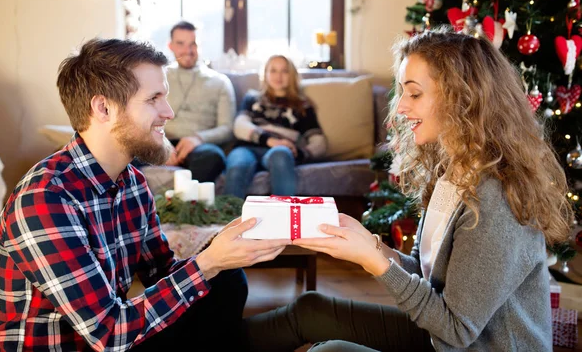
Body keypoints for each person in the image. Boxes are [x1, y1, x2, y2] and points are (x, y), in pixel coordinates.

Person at [242, 28, 574, 351]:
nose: (400, 107)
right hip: (439, 337)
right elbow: (426, 275)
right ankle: (210, 339)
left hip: (467, 344)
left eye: (414, 93)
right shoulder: (452, 172)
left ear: (462, 98)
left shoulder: (495, 195)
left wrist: (374, 261)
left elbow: (457, 330)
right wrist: (370, 245)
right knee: (310, 309)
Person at [0, 38, 291, 352]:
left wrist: (221, 250)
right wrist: (207, 264)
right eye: (154, 98)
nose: (168, 112)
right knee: (212, 276)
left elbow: (161, 272)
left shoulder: (132, 181)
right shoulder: (46, 199)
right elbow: (109, 334)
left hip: (113, 338)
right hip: (79, 345)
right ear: (103, 108)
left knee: (226, 282)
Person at [224, 55, 326, 198]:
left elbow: (319, 142)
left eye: (284, 71)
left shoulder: (303, 106)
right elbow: (240, 126)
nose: (278, 76)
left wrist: (300, 152)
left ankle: (283, 215)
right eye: (273, 71)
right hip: (247, 147)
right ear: (265, 74)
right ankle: (229, 218)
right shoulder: (252, 98)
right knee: (237, 165)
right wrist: (269, 140)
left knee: (282, 154)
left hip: (279, 150)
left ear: (292, 75)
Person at [163, 20, 236, 182]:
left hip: (200, 146)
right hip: (162, 141)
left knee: (213, 157)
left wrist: (198, 138)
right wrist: (161, 146)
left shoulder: (220, 82)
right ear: (170, 46)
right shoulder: (159, 77)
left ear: (200, 45)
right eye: (180, 43)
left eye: (193, 44)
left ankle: (189, 206)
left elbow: (227, 128)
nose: (188, 50)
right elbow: (144, 119)